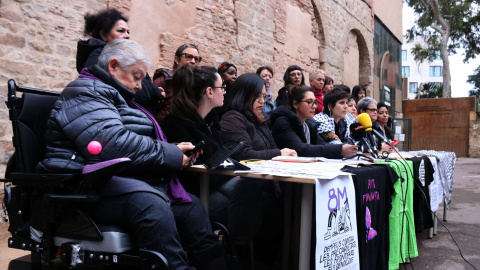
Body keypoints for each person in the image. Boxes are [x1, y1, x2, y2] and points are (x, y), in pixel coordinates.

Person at [38, 39, 227, 270]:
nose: (140, 85)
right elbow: (112, 144)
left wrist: (175, 152)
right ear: (114, 66)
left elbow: (128, 142)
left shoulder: (120, 98)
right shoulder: (85, 92)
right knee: (151, 205)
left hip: (115, 181)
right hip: (82, 185)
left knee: (191, 206)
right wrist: (170, 152)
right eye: (136, 77)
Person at [161, 65, 263, 267]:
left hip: (214, 186)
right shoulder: (176, 124)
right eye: (221, 87)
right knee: (253, 188)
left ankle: (236, 251)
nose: (224, 91)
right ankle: (233, 251)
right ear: (209, 92)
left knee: (258, 189)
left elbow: (216, 157)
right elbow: (194, 175)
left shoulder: (210, 118)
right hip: (194, 196)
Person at [220, 73, 297, 268]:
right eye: (259, 96)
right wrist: (279, 153)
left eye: (264, 96)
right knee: (274, 213)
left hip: (265, 181)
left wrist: (279, 154)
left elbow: (269, 147)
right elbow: (243, 153)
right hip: (248, 183)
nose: (263, 101)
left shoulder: (259, 120)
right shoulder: (232, 118)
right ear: (245, 94)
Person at [75, 8, 165, 121]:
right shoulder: (98, 57)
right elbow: (130, 92)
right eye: (121, 31)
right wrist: (155, 91)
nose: (127, 36)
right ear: (104, 35)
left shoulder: (121, 55)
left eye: (128, 32)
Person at [270, 85, 357, 158]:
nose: (314, 106)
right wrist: (340, 149)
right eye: (309, 102)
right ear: (295, 104)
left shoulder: (309, 123)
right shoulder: (282, 122)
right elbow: (300, 149)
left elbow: (321, 144)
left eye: (315, 102)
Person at [150, 43, 203, 123]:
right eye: (188, 57)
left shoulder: (197, 84)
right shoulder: (164, 80)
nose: (193, 61)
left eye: (196, 59)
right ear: (176, 59)